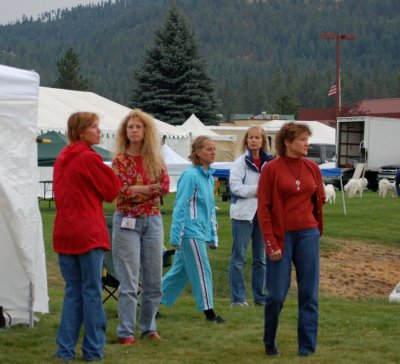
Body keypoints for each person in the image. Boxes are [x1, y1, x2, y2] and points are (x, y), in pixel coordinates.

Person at [53, 112, 121, 361]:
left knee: (73, 291)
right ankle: (93, 350)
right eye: (94, 127)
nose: (99, 130)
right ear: (81, 131)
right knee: (92, 291)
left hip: (64, 232)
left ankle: (65, 350)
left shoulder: (61, 158)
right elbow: (112, 191)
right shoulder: (89, 158)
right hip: (88, 232)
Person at [257, 122, 325, 357]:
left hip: (308, 234)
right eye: (303, 140)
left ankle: (306, 349)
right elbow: (264, 209)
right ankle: (269, 341)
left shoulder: (312, 168)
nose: (307, 144)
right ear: (287, 142)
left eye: (308, 139)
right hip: (281, 236)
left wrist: (315, 227)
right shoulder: (271, 169)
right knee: (276, 295)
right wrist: (270, 242)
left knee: (309, 294)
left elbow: (319, 198)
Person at [111, 108, 170, 344]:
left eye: (138, 126)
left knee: (154, 280)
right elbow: (121, 192)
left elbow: (164, 187)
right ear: (125, 132)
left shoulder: (156, 158)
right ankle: (126, 332)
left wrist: (137, 190)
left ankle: (148, 327)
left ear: (146, 131)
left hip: (153, 222)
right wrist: (148, 190)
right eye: (130, 127)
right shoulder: (119, 160)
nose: (134, 130)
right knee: (128, 280)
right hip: (127, 222)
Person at [161, 136, 225, 324]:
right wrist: (176, 235)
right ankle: (209, 313)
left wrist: (213, 235)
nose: (212, 152)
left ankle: (150, 302)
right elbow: (181, 205)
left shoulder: (209, 177)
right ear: (197, 152)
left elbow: (210, 209)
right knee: (202, 270)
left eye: (214, 149)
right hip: (189, 233)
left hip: (200, 232)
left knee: (178, 273)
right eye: (208, 149)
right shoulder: (190, 176)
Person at [229, 126, 274, 307]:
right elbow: (235, 187)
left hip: (263, 215)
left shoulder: (270, 163)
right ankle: (238, 298)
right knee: (239, 258)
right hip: (243, 215)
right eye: (251, 138)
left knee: (260, 259)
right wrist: (257, 191)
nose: (254, 141)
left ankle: (260, 297)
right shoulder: (240, 162)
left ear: (263, 141)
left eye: (257, 138)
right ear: (246, 141)